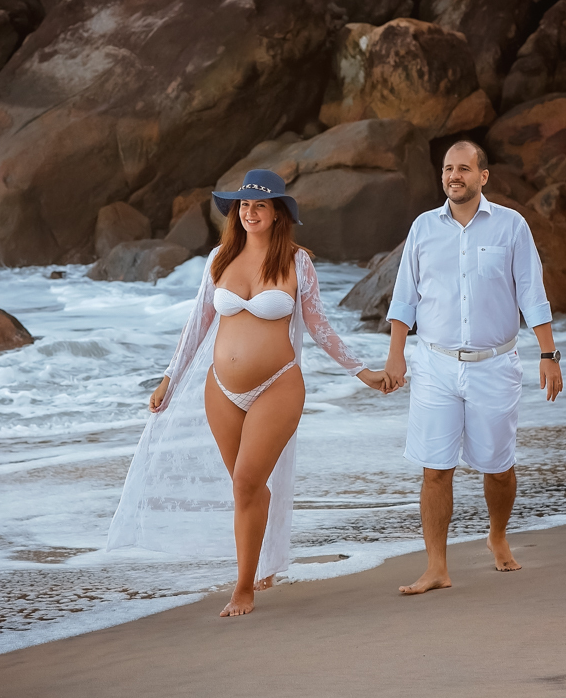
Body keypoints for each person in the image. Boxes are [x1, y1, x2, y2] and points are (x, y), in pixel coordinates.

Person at [108, 169, 391, 617]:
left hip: (277, 383)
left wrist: (362, 370)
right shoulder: (220, 257)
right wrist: (169, 378)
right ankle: (266, 555)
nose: (250, 212)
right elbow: (197, 326)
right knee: (248, 489)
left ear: (278, 213)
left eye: (260, 205)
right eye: (243, 205)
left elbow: (318, 325)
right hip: (220, 390)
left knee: (245, 482)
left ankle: (244, 588)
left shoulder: (298, 263)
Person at [383, 140, 563, 595]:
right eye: (447, 169)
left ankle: (497, 536)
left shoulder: (511, 227)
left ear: (483, 176)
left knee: (498, 468)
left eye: (463, 168)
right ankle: (437, 567)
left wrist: (548, 355)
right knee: (434, 469)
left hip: (495, 365)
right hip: (435, 366)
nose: (453, 176)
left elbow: (531, 294)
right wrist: (396, 353)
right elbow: (405, 298)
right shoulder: (423, 229)